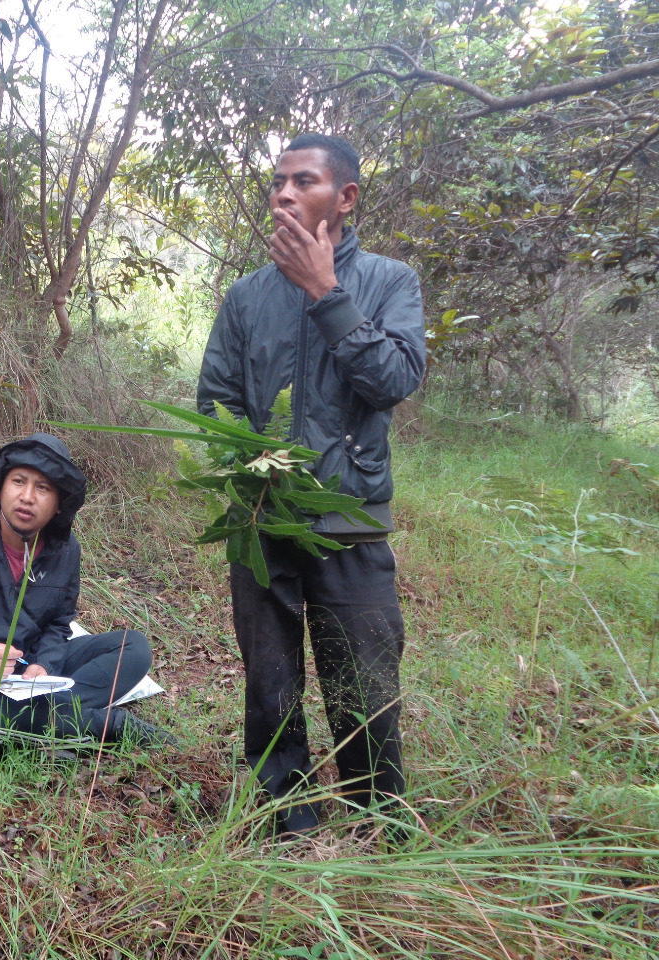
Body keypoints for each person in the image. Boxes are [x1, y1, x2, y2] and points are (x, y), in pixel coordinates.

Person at [197, 133, 426, 834]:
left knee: (363, 673)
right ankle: (285, 817)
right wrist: (248, 469)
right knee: (270, 679)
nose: (285, 195)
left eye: (304, 181)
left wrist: (326, 292)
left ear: (346, 198)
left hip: (349, 514)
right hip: (262, 520)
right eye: (277, 183)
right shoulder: (245, 297)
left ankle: (375, 819)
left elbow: (394, 380)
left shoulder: (389, 282)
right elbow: (215, 400)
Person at [0, 433, 173, 748]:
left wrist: (46, 665)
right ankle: (109, 724)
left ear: (59, 504)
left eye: (43, 488)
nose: (27, 496)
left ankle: (46, 713)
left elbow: (58, 622)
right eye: (18, 481)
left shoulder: (64, 549)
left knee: (133, 647)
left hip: (25, 673)